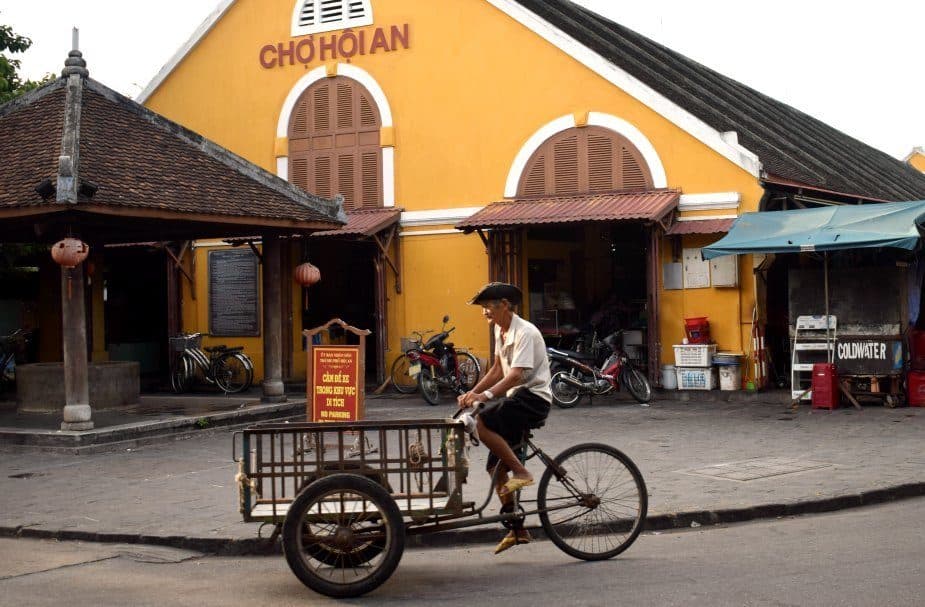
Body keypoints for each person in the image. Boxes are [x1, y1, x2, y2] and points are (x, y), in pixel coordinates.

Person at [458, 282, 552, 554]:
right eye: (483, 308)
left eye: (488, 307)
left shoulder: (525, 332)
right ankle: (517, 529)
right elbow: (499, 368)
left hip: (532, 398)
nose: (484, 312)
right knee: (494, 467)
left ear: (505, 306)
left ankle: (522, 472)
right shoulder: (501, 331)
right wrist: (471, 392)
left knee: (481, 422)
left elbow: (518, 375)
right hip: (515, 398)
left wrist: (484, 396)